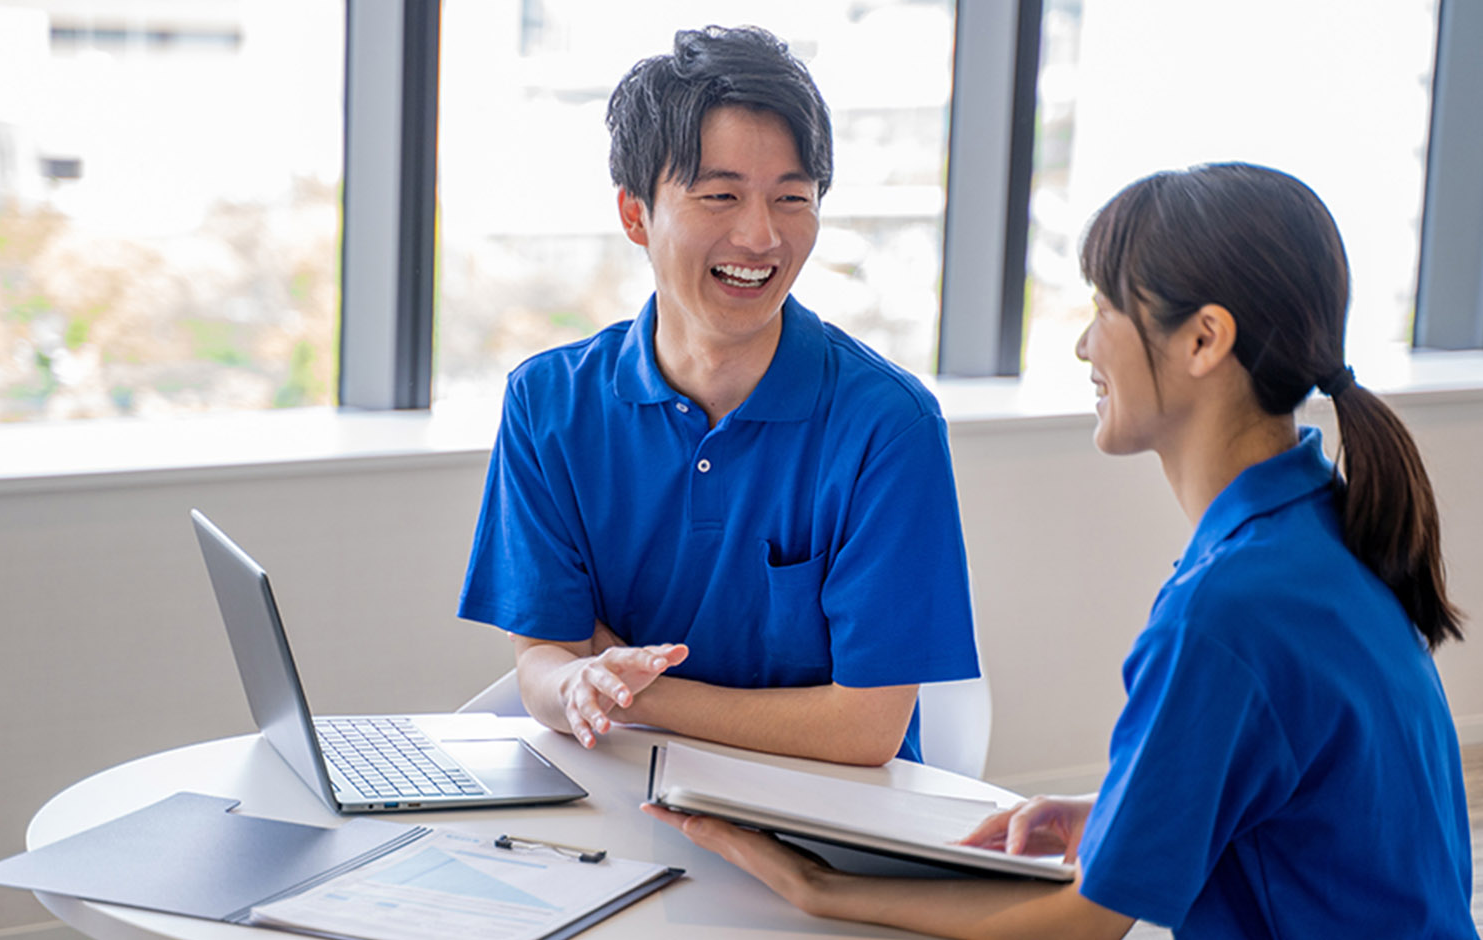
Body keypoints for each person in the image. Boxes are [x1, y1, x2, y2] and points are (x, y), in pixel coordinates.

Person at [645, 162, 1475, 938]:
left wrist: (821, 890)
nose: (1085, 347)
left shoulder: (1231, 606)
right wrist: (1122, 806)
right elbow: (1302, 782)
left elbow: (1089, 922)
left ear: (1203, 340)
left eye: (1105, 310)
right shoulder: (1315, 529)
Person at [458, 25, 978, 767]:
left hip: (827, 823)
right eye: (720, 196)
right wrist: (576, 676)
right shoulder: (547, 405)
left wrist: (632, 685)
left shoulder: (889, 424)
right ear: (635, 214)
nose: (761, 236)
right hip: (627, 795)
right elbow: (544, 659)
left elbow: (864, 733)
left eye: (791, 197)